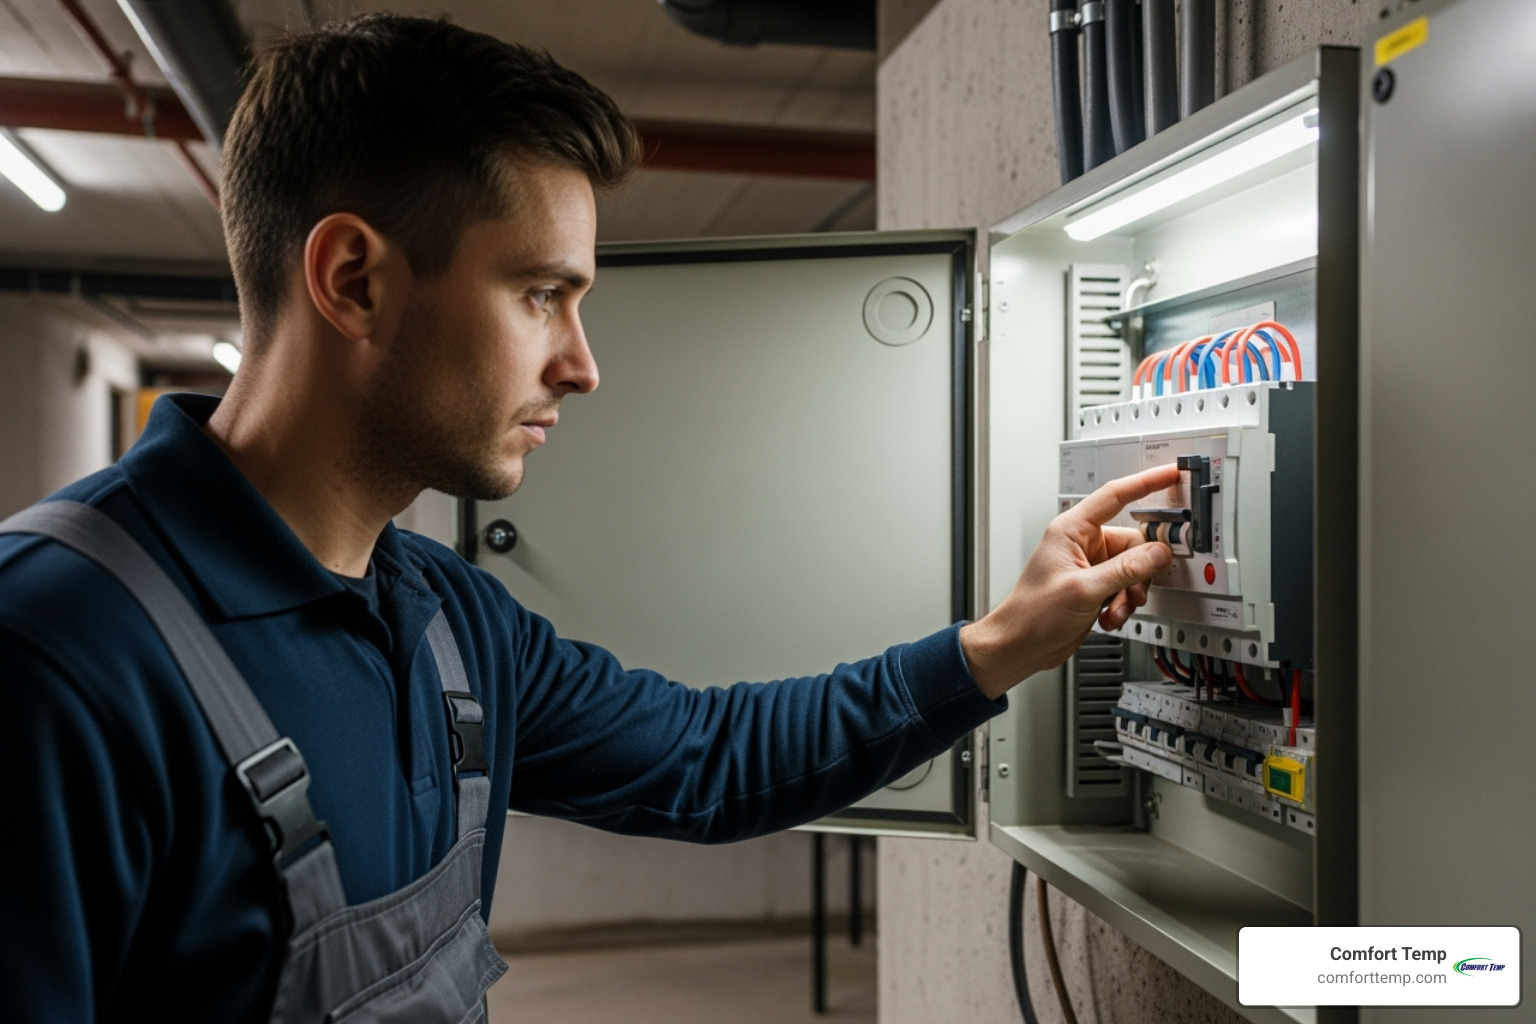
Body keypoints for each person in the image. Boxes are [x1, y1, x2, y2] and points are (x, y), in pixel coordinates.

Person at [0, 13, 1175, 1022]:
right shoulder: (55, 656)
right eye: (540, 294)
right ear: (354, 279)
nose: (581, 365)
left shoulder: (450, 621)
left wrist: (999, 645)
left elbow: (709, 761)